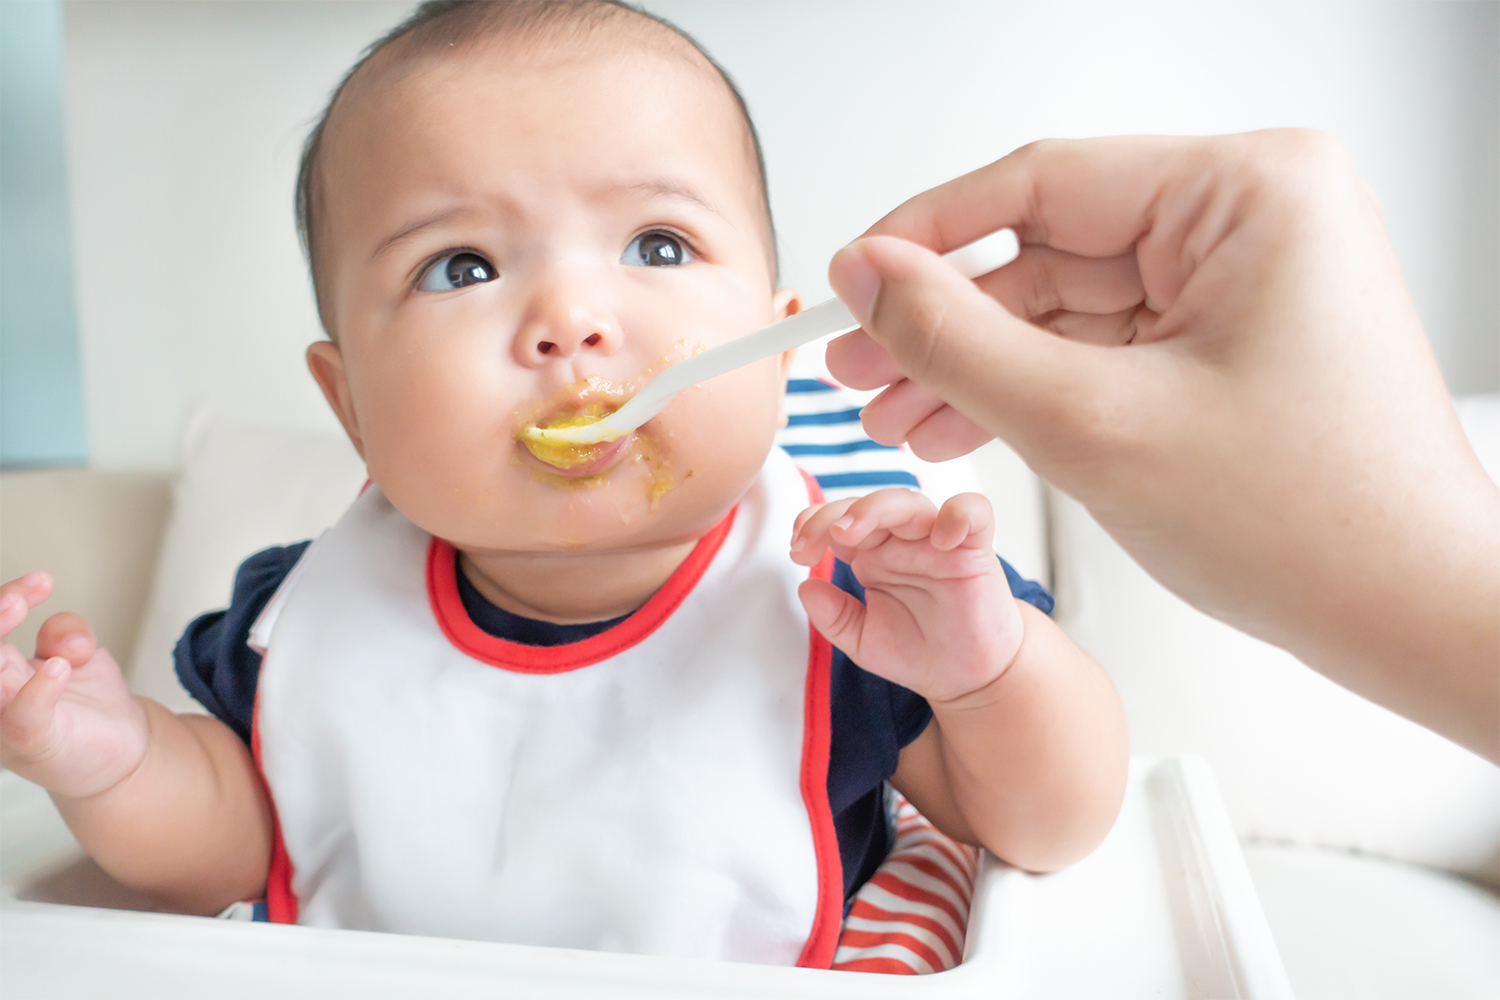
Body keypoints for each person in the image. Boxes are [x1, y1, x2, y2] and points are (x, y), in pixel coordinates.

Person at [0, 0, 1127, 969]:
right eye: (463, 267)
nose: (571, 322)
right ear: (351, 406)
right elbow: (249, 837)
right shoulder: (304, 623)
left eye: (656, 244)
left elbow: (1047, 826)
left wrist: (985, 675)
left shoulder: (851, 603)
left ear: (779, 355)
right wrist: (114, 761)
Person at [822, 131, 1499, 765]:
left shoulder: (855, 568)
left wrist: (980, 684)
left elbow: (1055, 820)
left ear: (782, 318)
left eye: (706, 247)